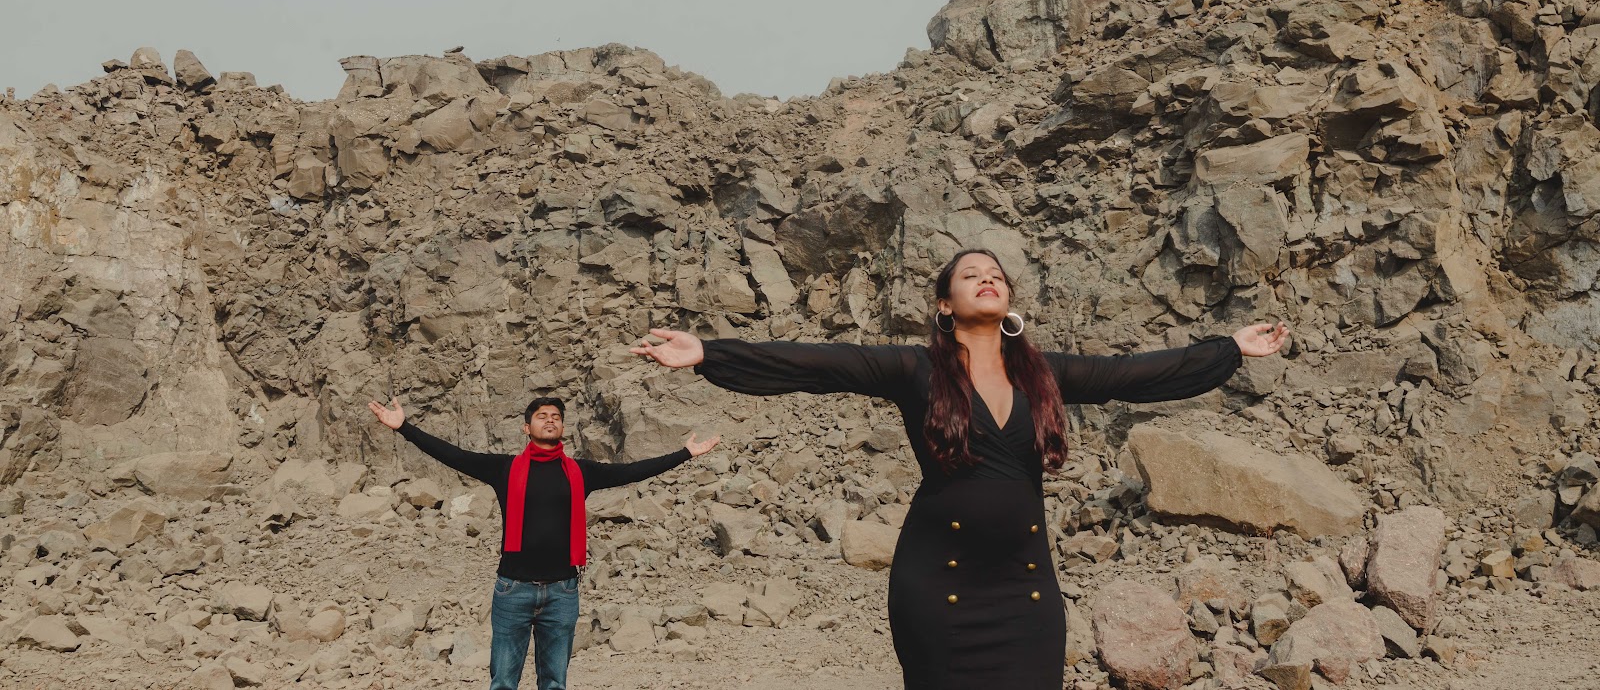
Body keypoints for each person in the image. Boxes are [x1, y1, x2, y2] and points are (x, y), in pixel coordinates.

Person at [632, 247, 1287, 690]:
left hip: (1026, 594)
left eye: (996, 273)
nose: (987, 278)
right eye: (971, 274)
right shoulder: (913, 368)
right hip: (936, 587)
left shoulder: (1045, 373)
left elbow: (1135, 375)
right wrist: (709, 352)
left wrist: (1229, 348)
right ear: (945, 303)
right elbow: (819, 362)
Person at [368, 394, 720, 690]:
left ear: (562, 428)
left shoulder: (582, 471)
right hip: (512, 590)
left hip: (562, 592)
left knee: (554, 683)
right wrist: (404, 428)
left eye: (556, 417)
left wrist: (684, 454)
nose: (550, 420)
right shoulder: (504, 468)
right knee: (503, 682)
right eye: (542, 416)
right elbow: (454, 455)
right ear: (526, 428)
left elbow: (631, 471)